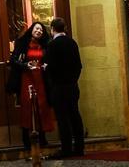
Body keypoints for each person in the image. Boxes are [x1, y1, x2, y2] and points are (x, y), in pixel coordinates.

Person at [8, 22, 54, 151]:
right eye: (36, 28)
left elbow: (49, 60)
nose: (39, 31)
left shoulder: (45, 45)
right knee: (27, 107)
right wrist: (25, 65)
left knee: (42, 106)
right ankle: (26, 140)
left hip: (41, 78)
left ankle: (43, 138)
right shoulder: (22, 42)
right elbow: (13, 60)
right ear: (31, 29)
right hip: (26, 78)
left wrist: (46, 65)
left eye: (41, 30)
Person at [44, 17, 84, 158]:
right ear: (64, 28)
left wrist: (48, 71)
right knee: (75, 116)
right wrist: (73, 80)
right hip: (72, 85)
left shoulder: (52, 45)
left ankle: (66, 148)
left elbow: (51, 66)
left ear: (52, 29)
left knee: (62, 119)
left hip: (59, 87)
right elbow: (79, 66)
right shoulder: (72, 43)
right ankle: (79, 148)